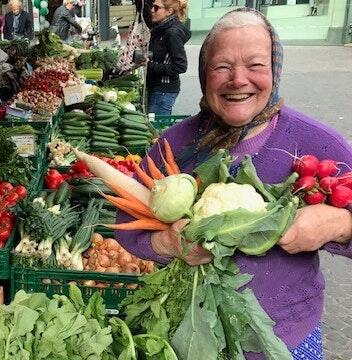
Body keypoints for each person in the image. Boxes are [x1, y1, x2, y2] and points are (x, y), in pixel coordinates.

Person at [116, 8, 352, 359]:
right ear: (204, 74)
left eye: (255, 65)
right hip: (193, 337)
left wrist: (341, 224)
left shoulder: (314, 143)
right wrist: (167, 243)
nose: (238, 79)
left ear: (275, 69)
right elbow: (125, 226)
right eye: (221, 66)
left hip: (287, 337)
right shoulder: (175, 144)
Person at [143, 0, 190, 115]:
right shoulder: (159, 29)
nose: (152, 10)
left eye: (156, 7)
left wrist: (150, 65)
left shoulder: (172, 33)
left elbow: (180, 66)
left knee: (157, 129)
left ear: (169, 11)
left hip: (163, 90)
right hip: (155, 86)